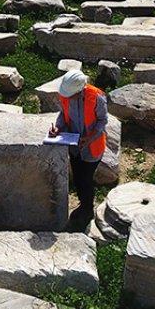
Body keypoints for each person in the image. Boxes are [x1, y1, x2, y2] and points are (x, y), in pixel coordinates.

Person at [47, 69, 108, 228]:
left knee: (86, 179)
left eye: (71, 95)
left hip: (92, 148)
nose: (68, 98)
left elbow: (102, 121)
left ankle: (87, 208)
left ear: (80, 89)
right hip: (74, 146)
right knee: (78, 176)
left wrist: (90, 138)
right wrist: (58, 128)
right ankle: (83, 203)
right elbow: (63, 114)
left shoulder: (96, 97)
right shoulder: (66, 96)